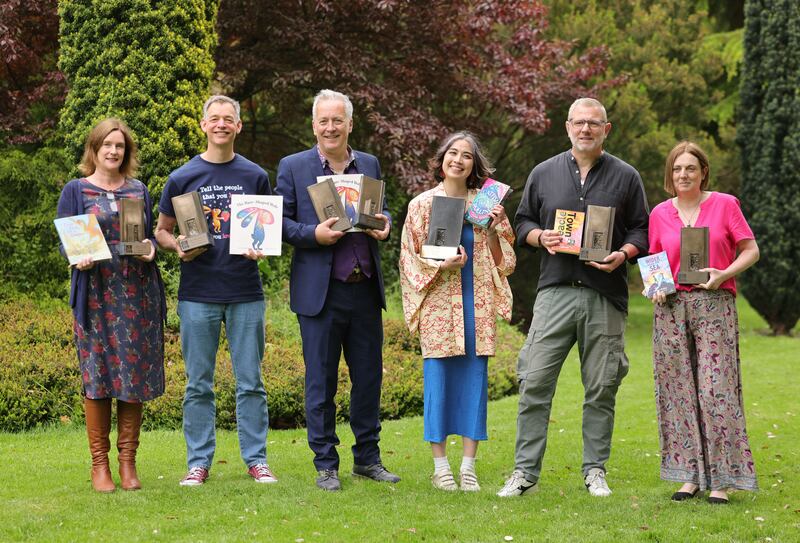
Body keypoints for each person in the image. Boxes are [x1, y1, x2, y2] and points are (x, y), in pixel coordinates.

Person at [498, 97, 649, 498]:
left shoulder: (626, 176)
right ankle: (524, 473)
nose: (586, 129)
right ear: (567, 127)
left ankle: (595, 470)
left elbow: (642, 230)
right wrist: (538, 236)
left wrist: (624, 254)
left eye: (594, 124)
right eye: (579, 123)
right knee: (534, 381)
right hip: (555, 292)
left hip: (605, 294)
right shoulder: (544, 173)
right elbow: (522, 221)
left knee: (602, 385)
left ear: (606, 129)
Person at [275, 89, 399, 491]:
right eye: (323, 121)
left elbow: (380, 212)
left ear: (350, 123)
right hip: (320, 293)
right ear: (314, 125)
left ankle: (368, 459)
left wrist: (385, 224)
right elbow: (280, 223)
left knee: (368, 379)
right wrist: (312, 234)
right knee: (321, 381)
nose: (331, 127)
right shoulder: (293, 167)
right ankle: (326, 463)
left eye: (338, 120)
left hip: (364, 289)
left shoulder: (370, 163)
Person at [155, 95, 276, 486]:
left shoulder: (255, 175)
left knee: (251, 382)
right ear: (204, 125)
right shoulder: (182, 177)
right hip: (197, 292)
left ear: (238, 126)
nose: (221, 124)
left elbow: (266, 225)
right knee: (198, 384)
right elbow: (161, 230)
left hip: (245, 291)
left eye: (229, 119)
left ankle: (256, 460)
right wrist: (178, 247)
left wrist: (262, 247)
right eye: (215, 119)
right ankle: (198, 462)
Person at [399, 132, 515, 491]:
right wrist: (442, 266)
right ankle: (440, 467)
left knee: (473, 383)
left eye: (467, 156)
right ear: (442, 158)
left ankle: (468, 466)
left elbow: (507, 263)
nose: (459, 160)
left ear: (474, 165)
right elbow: (408, 258)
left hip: (475, 305)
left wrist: (494, 231)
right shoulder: (421, 205)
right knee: (439, 381)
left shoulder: (487, 204)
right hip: (438, 306)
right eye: (453, 153)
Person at [56, 118, 166, 492]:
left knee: (131, 377)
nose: (113, 151)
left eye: (119, 146)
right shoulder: (76, 190)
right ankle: (99, 465)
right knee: (97, 375)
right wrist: (76, 257)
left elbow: (147, 238)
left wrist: (150, 249)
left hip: (136, 296)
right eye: (107, 145)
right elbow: (65, 239)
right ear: (95, 149)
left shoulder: (138, 190)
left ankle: (128, 464)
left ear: (126, 152)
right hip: (95, 296)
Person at [647, 141, 759, 504]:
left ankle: (722, 481)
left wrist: (723, 273)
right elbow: (655, 263)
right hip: (671, 310)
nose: (683, 174)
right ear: (670, 174)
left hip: (714, 303)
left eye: (690, 168)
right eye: (677, 169)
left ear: (703, 171)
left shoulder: (725, 204)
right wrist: (657, 288)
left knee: (715, 391)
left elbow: (751, 249)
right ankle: (689, 476)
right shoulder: (660, 212)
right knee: (679, 394)